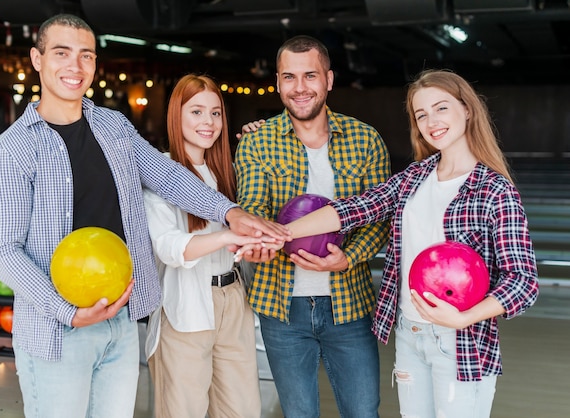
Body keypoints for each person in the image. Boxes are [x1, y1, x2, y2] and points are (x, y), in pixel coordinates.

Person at [0, 14, 286, 418]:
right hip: (56, 330)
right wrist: (69, 311)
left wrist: (228, 212)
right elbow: (3, 252)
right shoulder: (9, 152)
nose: (75, 66)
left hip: (121, 321)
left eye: (86, 55)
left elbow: (168, 176)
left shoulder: (113, 126)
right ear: (37, 59)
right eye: (62, 53)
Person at [251, 69, 540, 417]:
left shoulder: (495, 190)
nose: (431, 121)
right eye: (421, 115)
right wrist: (282, 234)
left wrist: (465, 318)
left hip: (460, 343)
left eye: (441, 108)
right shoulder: (414, 178)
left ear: (466, 109)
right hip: (409, 333)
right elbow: (353, 210)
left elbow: (523, 282)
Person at [234, 35, 391, 417]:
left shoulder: (365, 139)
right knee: (299, 413)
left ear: (329, 79)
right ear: (277, 82)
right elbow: (253, 209)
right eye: (289, 77)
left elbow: (378, 218)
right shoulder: (256, 143)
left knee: (363, 412)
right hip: (281, 308)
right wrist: (259, 239)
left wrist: (348, 258)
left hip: (349, 304)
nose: (300, 88)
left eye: (310, 76)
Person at [142, 74, 261, 418]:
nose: (207, 122)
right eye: (196, 112)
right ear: (176, 115)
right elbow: (169, 247)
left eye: (215, 113)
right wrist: (226, 235)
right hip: (185, 303)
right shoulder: (160, 172)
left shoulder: (230, 172)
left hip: (233, 299)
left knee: (243, 410)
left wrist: (259, 142)